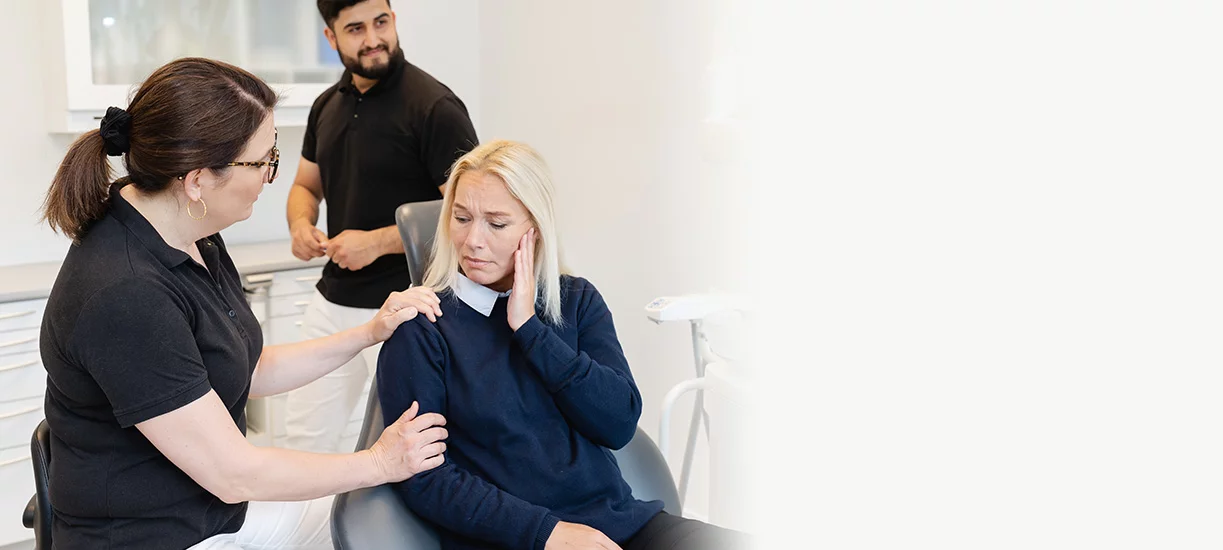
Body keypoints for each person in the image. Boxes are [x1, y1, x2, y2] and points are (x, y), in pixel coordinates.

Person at [38, 57, 450, 550]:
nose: (270, 176)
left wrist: (368, 333)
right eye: (261, 162)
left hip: (214, 509)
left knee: (379, 520)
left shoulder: (192, 232)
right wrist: (379, 462)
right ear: (196, 180)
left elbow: (248, 369)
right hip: (159, 535)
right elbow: (234, 473)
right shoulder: (125, 294)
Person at [377, 141, 751, 550]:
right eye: (461, 218)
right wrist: (547, 533)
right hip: (517, 540)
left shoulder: (576, 300)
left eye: (496, 224)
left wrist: (530, 330)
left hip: (620, 524)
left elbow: (618, 424)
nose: (472, 241)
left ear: (535, 231)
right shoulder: (422, 326)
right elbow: (425, 477)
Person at [283, 0, 480, 453]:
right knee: (304, 442)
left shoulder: (435, 107)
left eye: (381, 22)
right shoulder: (326, 106)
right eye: (356, 29)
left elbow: (470, 213)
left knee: (414, 449)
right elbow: (305, 186)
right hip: (332, 302)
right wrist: (299, 223)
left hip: (409, 309)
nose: (373, 39)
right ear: (331, 36)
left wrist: (376, 243)